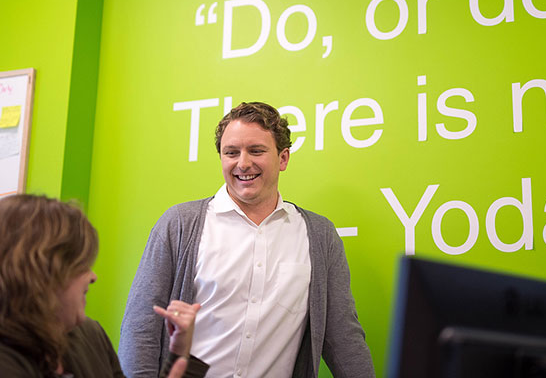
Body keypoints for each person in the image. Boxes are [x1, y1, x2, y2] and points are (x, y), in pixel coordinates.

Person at [119, 102, 375, 377]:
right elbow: (141, 328)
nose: (243, 163)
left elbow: (343, 337)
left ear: (283, 158)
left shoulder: (320, 236)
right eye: (231, 152)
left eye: (256, 151)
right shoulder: (180, 225)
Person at [0, 194, 209, 377]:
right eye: (80, 265)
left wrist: (179, 355)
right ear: (39, 272)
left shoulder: (91, 336)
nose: (93, 276)